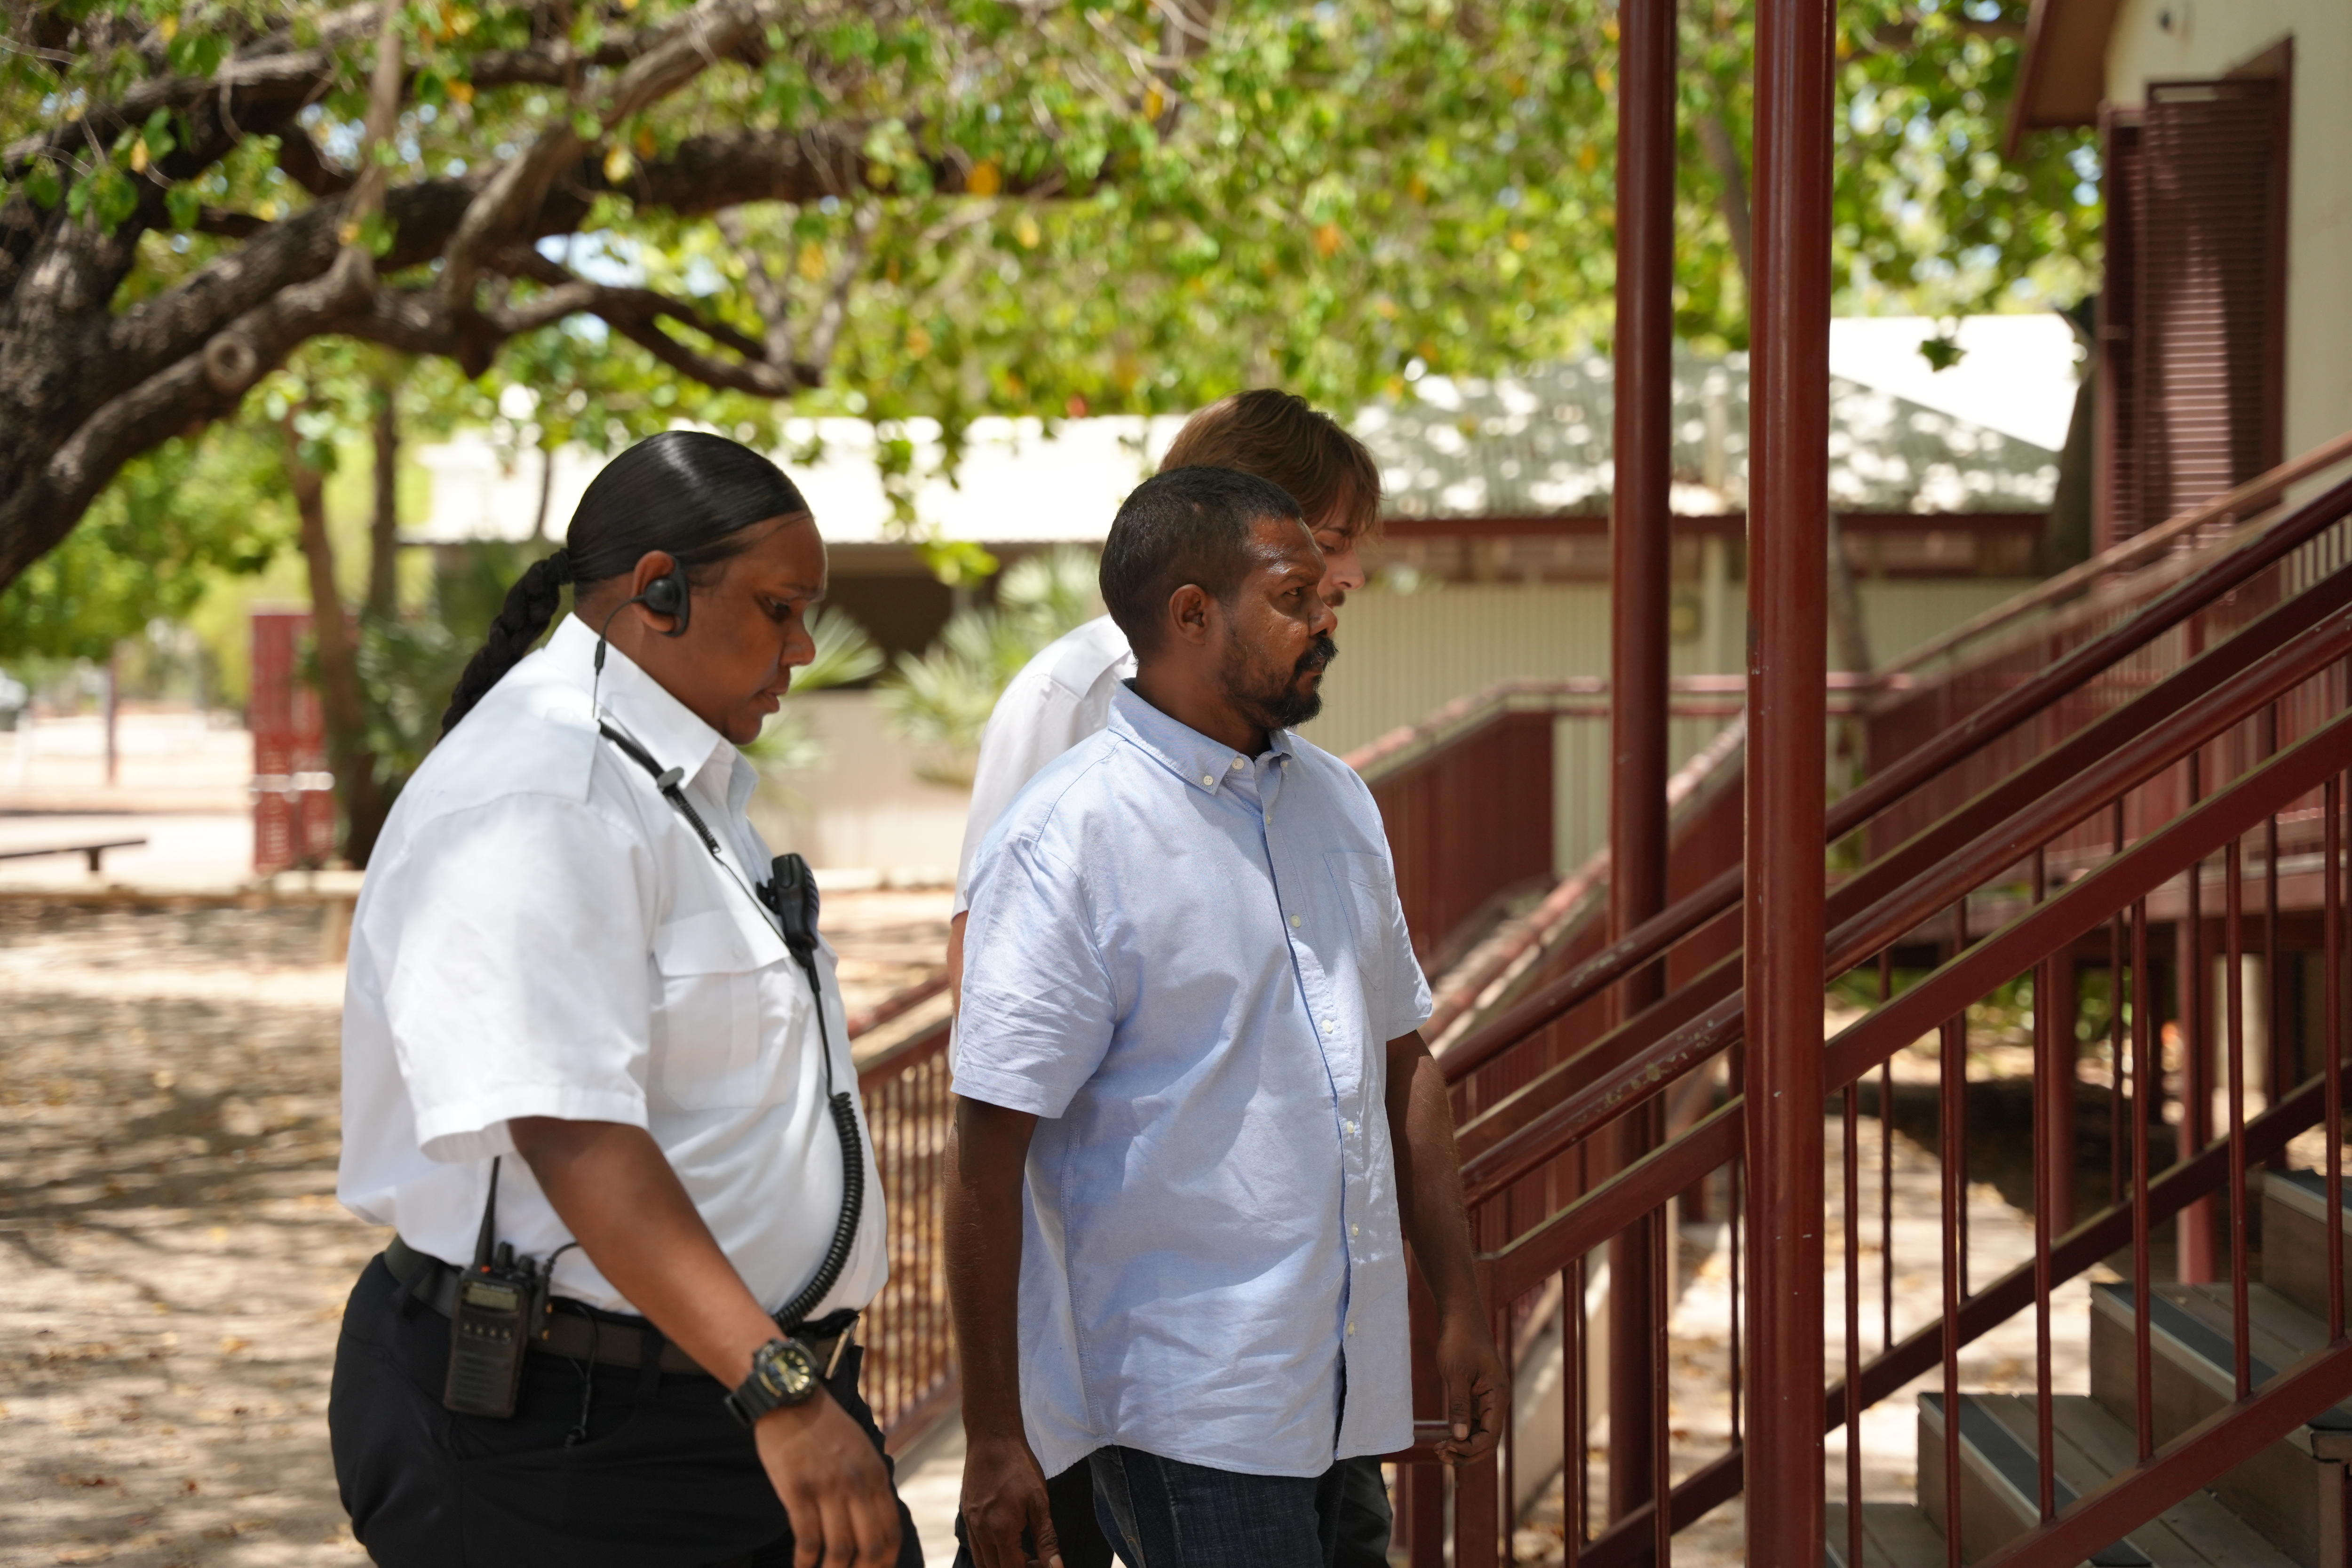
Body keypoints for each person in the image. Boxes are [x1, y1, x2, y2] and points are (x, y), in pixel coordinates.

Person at [329, 430, 917, 1568]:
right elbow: (572, 1128)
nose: (804, 645)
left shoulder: (669, 778)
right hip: (570, 1439)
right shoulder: (544, 790)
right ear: (657, 589)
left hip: (720, 1403)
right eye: (780, 606)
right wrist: (780, 1383)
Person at [947, 467, 1505, 1568]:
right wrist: (993, 1430)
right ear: (1191, 613)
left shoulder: (1338, 800)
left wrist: (1458, 1300)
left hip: (1345, 1390)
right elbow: (985, 1148)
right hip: (1183, 1403)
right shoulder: (1071, 835)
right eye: (1295, 598)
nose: (1324, 623)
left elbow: (1405, 1061)